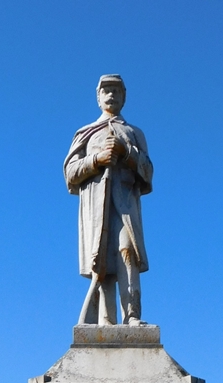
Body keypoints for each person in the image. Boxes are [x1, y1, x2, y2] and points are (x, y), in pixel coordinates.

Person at [64, 75, 153, 326]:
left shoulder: (134, 133)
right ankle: (106, 321)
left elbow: (148, 171)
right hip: (95, 206)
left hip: (125, 204)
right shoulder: (86, 133)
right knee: (101, 262)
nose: (111, 94)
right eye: (106, 90)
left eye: (116, 90)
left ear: (124, 96)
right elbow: (70, 173)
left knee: (127, 251)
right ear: (98, 96)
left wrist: (127, 153)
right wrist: (97, 160)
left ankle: (132, 315)